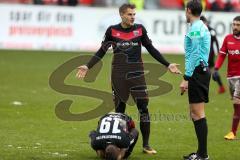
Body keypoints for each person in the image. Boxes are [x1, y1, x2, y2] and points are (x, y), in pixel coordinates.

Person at [76, 3, 181, 154]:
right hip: (118, 76)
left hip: (137, 75)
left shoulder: (140, 30)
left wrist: (167, 64)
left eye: (134, 15)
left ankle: (146, 145)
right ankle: (120, 145)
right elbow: (101, 51)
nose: (133, 17)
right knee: (120, 112)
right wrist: (88, 66)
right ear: (122, 15)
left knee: (143, 109)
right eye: (130, 14)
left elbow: (151, 49)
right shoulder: (112, 30)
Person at [180, 1, 211, 160]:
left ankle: (203, 155)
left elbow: (196, 54)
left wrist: (186, 77)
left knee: (198, 114)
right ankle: (200, 152)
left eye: (185, 11)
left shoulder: (197, 28)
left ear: (189, 10)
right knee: (194, 113)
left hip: (198, 73)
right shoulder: (197, 27)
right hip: (198, 72)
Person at [213, 16, 240, 140]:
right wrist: (216, 69)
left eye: (238, 25)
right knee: (236, 106)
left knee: (237, 101)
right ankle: (233, 131)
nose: (235, 27)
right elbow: (222, 55)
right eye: (234, 24)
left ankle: (233, 132)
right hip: (231, 77)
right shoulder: (228, 39)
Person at [200, 15, 225, 94]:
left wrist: (218, 51)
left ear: (205, 22)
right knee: (208, 70)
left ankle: (220, 87)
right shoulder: (200, 30)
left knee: (207, 70)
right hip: (203, 53)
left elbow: (216, 41)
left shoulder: (211, 31)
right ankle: (221, 87)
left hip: (209, 54)